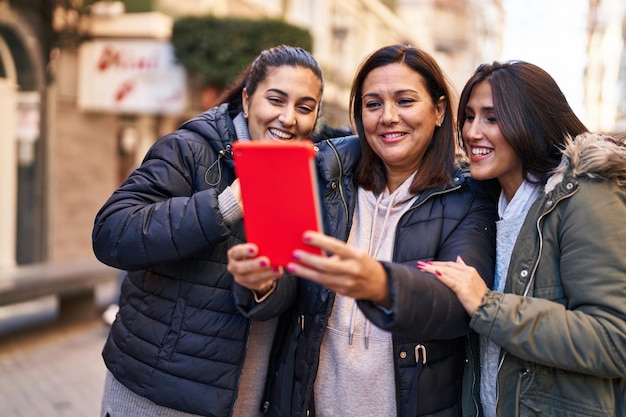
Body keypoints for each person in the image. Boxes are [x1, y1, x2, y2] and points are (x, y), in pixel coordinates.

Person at [227, 44, 498, 417]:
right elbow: (290, 290)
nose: (388, 117)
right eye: (373, 104)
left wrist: (380, 283)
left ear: (438, 111)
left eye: (404, 101)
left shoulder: (468, 197)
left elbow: (458, 306)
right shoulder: (325, 175)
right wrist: (262, 283)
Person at [91, 44, 324, 417]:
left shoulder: (303, 173)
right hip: (155, 396)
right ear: (247, 100)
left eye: (304, 107)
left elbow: (283, 292)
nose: (288, 118)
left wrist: (265, 286)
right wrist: (226, 205)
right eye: (276, 100)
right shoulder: (189, 149)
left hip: (240, 400)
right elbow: (111, 232)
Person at [418, 61, 626, 416]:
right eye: (468, 116)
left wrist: (487, 305)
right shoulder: (481, 203)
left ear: (531, 121)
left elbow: (613, 340)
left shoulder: (584, 197)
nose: (472, 131)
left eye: (492, 118)